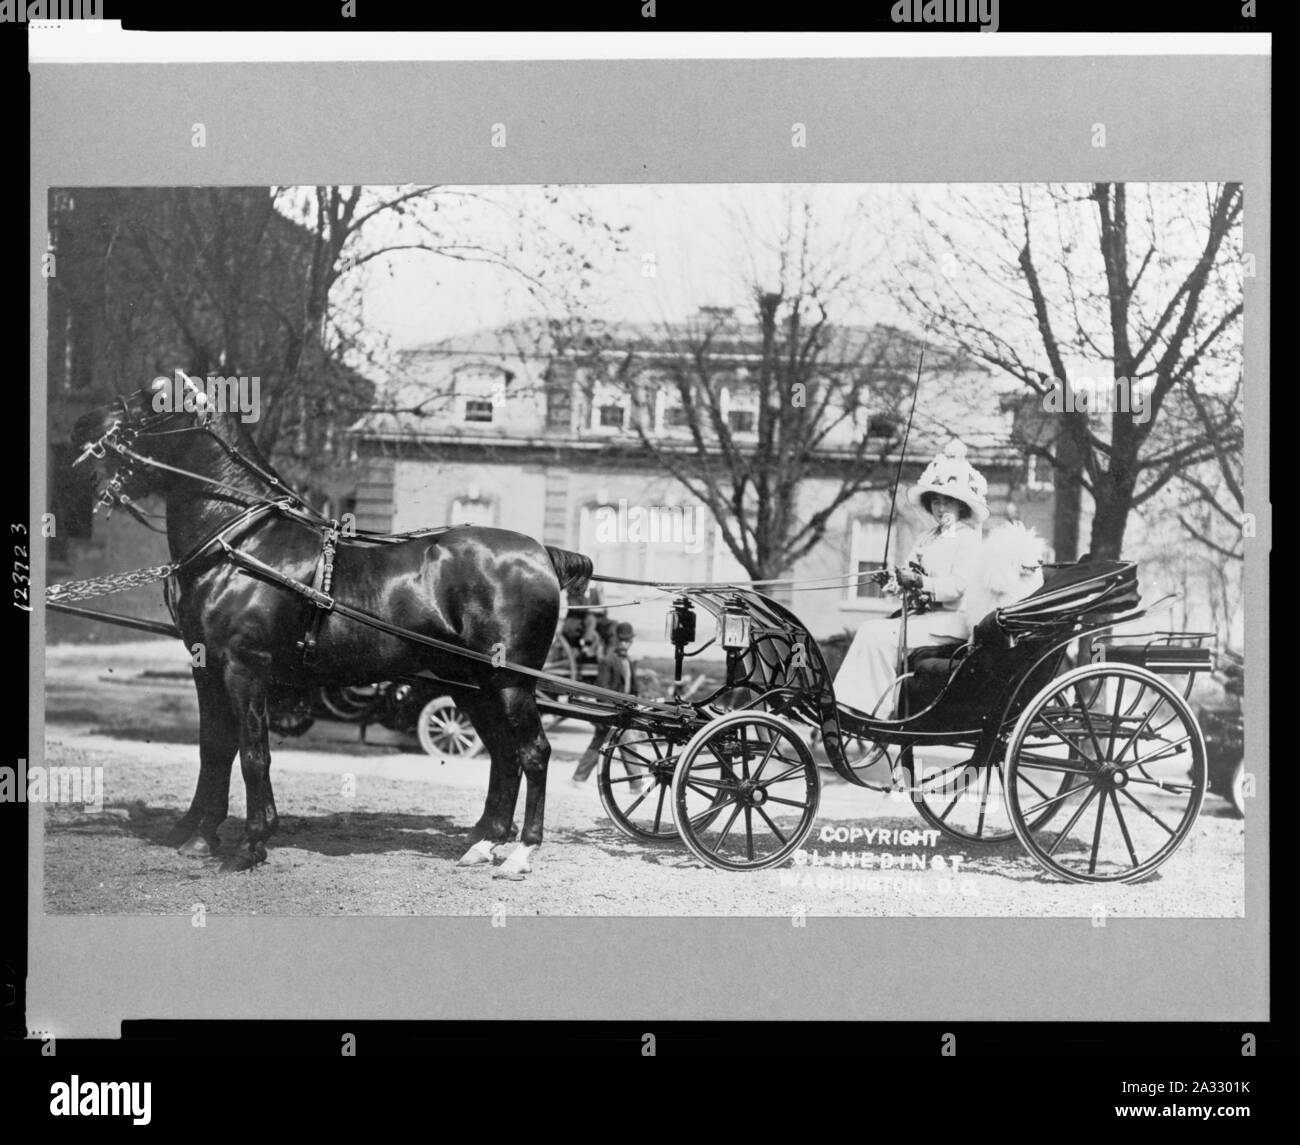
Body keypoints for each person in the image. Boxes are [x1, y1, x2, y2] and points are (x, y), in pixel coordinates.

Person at [834, 439, 989, 716]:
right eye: (937, 502)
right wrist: (894, 582)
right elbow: (909, 574)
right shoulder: (926, 538)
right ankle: (847, 706)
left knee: (876, 634)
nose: (941, 509)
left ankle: (875, 713)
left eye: (948, 502)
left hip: (951, 623)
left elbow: (958, 585)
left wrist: (920, 583)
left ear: (962, 506)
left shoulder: (969, 539)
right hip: (923, 619)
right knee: (870, 629)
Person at [571, 621, 641, 786]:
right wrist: (610, 714)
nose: (624, 644)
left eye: (627, 641)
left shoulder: (628, 661)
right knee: (628, 746)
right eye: (621, 640)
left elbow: (633, 687)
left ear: (632, 641)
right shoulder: (608, 661)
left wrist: (636, 704)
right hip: (612, 713)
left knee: (599, 745)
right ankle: (637, 785)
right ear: (616, 639)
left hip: (623, 711)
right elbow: (602, 691)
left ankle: (578, 778)